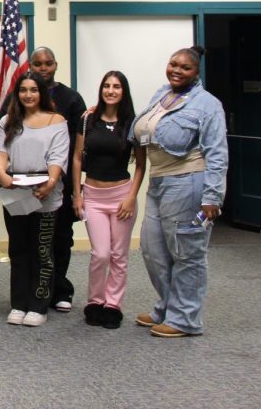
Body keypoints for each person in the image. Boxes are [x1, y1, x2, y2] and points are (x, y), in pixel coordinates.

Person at [132, 46, 228, 338]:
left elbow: (217, 152)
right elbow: (142, 129)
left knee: (187, 252)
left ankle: (185, 318)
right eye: (173, 64)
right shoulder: (163, 95)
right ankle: (166, 308)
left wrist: (212, 197)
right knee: (153, 249)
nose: (176, 70)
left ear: (196, 72)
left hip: (188, 182)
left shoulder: (208, 104)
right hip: (159, 182)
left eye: (185, 67)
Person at [0, 71, 70, 327]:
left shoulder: (56, 121)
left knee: (42, 251)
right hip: (16, 191)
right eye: (23, 90)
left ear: (42, 93)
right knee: (19, 248)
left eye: (33, 90)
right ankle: (19, 303)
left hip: (45, 195)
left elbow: (58, 157)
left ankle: (39, 305)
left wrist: (50, 183)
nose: (28, 95)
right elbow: (1, 151)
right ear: (17, 93)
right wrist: (2, 174)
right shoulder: (8, 120)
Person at [71, 70, 144, 330]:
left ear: (123, 92)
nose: (111, 91)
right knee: (100, 253)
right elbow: (77, 158)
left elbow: (140, 165)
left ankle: (112, 305)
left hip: (122, 196)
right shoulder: (87, 119)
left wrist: (131, 197)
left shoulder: (132, 123)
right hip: (93, 195)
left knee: (118, 255)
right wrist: (77, 196)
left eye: (116, 87)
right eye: (106, 86)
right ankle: (94, 301)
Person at [26, 47, 87, 312]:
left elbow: (78, 146)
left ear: (56, 65)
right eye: (38, 63)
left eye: (48, 63)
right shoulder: (21, 95)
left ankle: (60, 289)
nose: (43, 68)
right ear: (30, 65)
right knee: (31, 240)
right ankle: (34, 289)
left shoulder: (71, 98)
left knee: (60, 238)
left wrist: (73, 185)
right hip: (27, 182)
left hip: (60, 182)